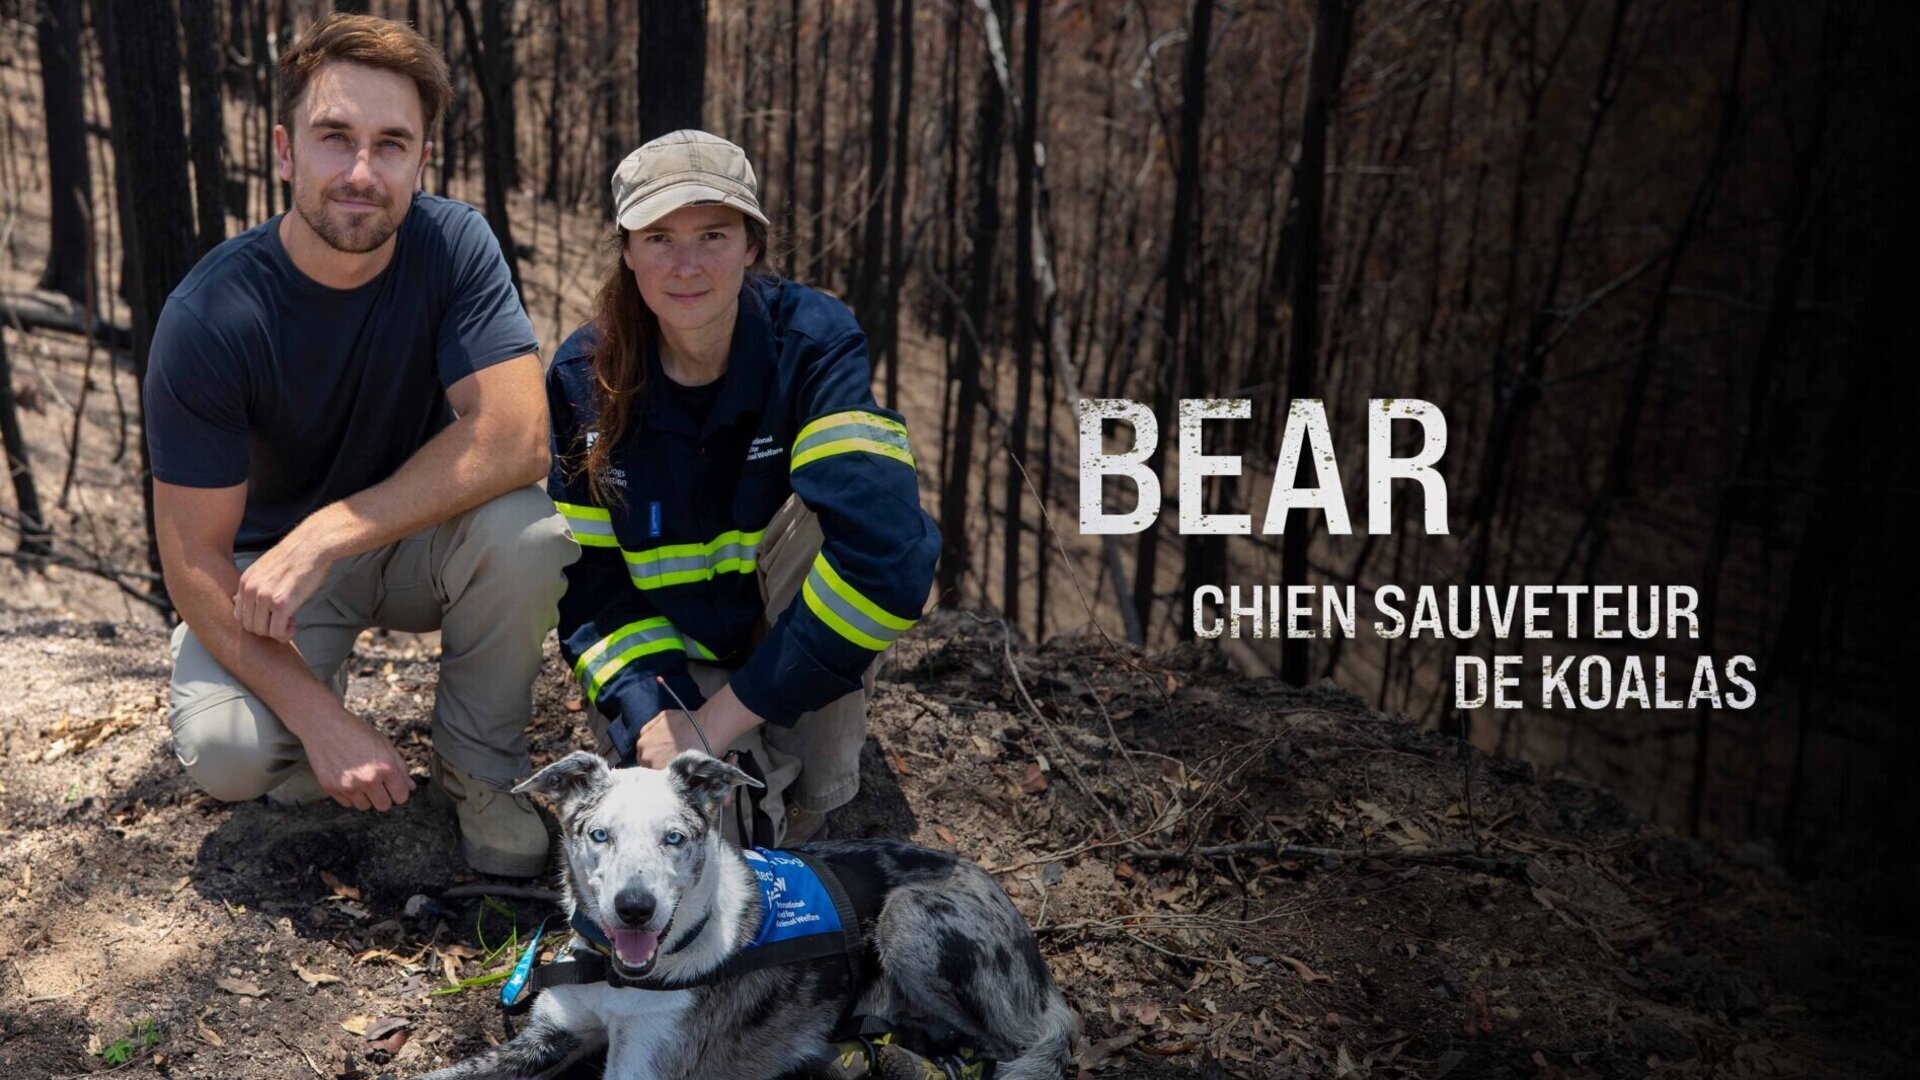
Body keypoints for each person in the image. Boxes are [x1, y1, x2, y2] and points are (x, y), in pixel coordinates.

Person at [145, 13, 577, 878]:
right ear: (283, 151)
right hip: (283, 586)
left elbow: (521, 437)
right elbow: (192, 556)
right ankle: (311, 718)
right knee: (231, 756)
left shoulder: (453, 247)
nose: (360, 172)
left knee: (530, 533)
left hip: (421, 544)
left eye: (390, 144)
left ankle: (478, 769)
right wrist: (320, 717)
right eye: (334, 137)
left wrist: (330, 530)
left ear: (423, 161)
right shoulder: (212, 317)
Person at [547, 130, 940, 847]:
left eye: (713, 234)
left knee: (799, 835)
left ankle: (812, 793)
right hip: (670, 658)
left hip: (784, 644)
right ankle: (754, 797)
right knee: (701, 845)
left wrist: (724, 720)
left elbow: (891, 561)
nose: (686, 264)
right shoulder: (584, 377)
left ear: (753, 246)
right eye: (659, 237)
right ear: (627, 250)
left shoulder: (814, 345)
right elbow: (591, 586)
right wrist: (656, 714)